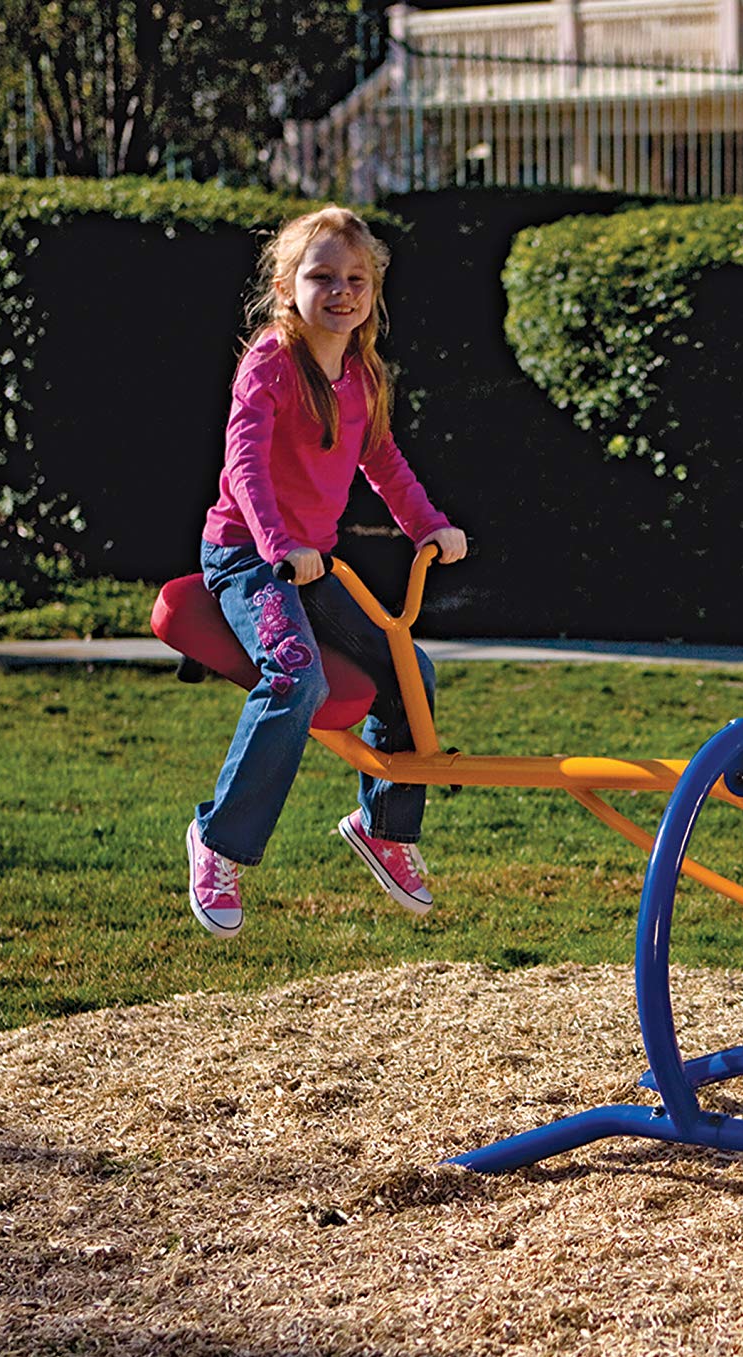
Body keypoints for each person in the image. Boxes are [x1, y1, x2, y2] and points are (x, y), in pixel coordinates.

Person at [183, 205, 468, 938]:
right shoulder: (273, 364)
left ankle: (382, 825)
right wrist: (276, 540)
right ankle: (218, 842)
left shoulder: (363, 375)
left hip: (310, 560)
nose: (340, 291)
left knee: (412, 676)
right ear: (286, 286)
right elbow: (243, 461)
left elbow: (384, 461)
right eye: (322, 277)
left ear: (373, 290)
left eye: (356, 278)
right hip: (249, 553)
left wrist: (428, 525)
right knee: (296, 677)